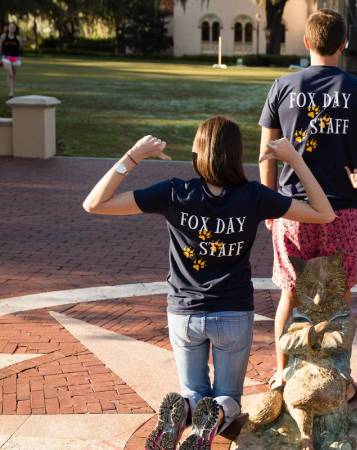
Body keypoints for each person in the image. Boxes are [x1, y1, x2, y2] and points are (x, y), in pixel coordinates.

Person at [82, 117, 335, 450]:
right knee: (228, 397)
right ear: (236, 154)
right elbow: (325, 213)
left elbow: (94, 204)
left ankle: (185, 408)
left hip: (184, 313)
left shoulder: (174, 192)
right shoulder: (254, 197)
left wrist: (133, 156)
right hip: (233, 313)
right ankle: (216, 412)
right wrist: (295, 160)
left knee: (192, 392)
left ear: (196, 152)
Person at [258, 8, 357, 396]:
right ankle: (341, 378)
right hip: (343, 209)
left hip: (293, 207)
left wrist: (267, 204)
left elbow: (266, 152)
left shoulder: (283, 85)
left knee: (290, 294)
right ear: (344, 44)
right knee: (340, 295)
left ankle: (281, 375)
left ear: (307, 41)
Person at [1, 22, 22, 97]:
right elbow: (0, 47)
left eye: (13, 27)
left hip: (16, 58)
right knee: (11, 74)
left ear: (15, 29)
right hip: (6, 57)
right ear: (8, 27)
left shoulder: (18, 37)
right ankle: (11, 92)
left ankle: (9, 90)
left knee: (13, 76)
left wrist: (22, 42)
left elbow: (20, 48)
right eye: (10, 26)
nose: (11, 28)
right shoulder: (3, 36)